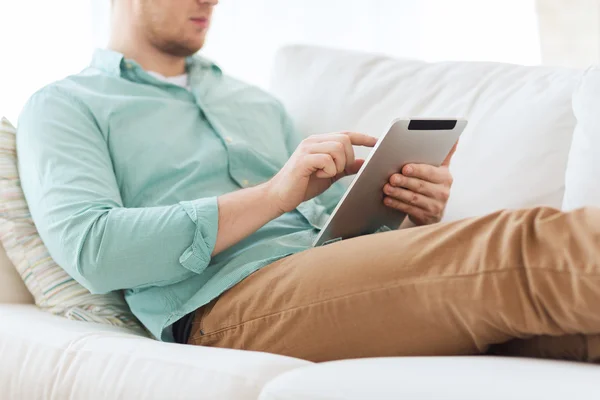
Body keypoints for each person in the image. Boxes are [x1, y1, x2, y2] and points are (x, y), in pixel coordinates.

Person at [17, 0, 600, 363]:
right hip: (227, 303)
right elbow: (94, 249)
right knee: (523, 244)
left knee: (575, 337)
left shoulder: (253, 103)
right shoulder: (66, 105)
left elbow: (319, 228)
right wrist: (276, 194)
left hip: (323, 271)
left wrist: (407, 210)